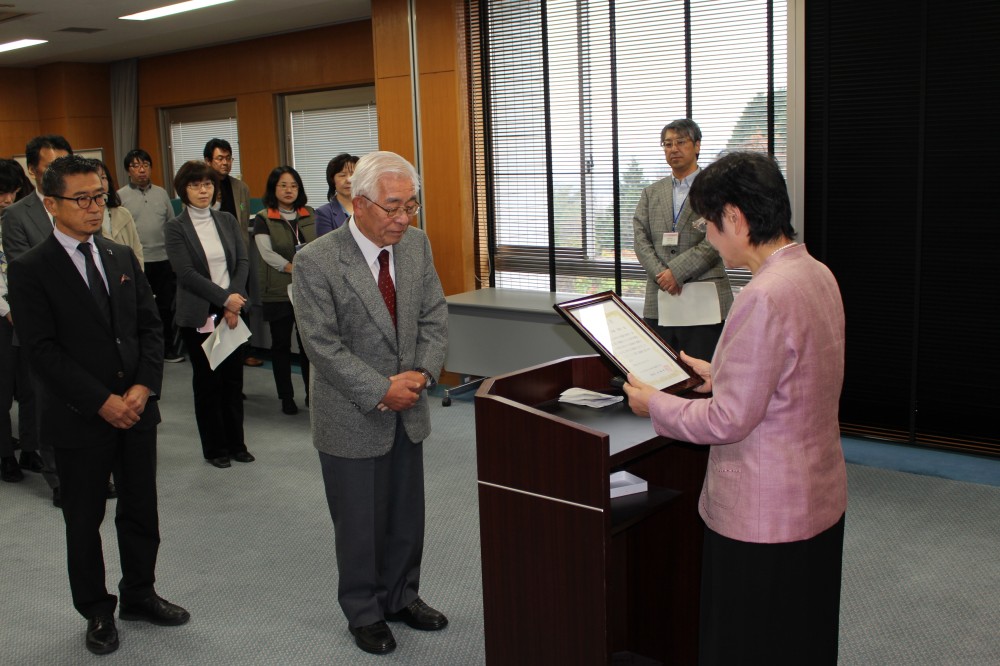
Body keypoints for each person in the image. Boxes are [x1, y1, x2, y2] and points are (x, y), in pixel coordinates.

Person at [623, 151, 847, 665]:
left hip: (765, 513)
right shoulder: (816, 273)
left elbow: (729, 420)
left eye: (708, 219)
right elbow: (797, 377)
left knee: (749, 643)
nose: (706, 230)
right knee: (802, 635)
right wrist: (717, 373)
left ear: (736, 218)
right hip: (817, 495)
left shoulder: (762, 296)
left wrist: (653, 403)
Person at [7, 155, 189, 656]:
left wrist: (143, 387)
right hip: (78, 416)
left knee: (141, 510)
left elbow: (150, 327)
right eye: (81, 199)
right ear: (51, 204)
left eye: (99, 197)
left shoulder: (118, 256)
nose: (94, 208)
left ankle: (139, 594)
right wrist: (101, 401)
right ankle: (97, 610)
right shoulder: (30, 269)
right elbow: (41, 352)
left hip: (135, 409)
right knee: (84, 520)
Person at [293, 151, 449, 656]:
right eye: (393, 207)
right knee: (359, 521)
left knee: (406, 513)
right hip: (351, 411)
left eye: (411, 206)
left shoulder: (416, 245)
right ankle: (363, 610)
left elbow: (433, 316)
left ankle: (402, 596)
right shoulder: (316, 259)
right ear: (358, 204)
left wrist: (422, 374)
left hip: (411, 404)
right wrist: (381, 387)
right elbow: (321, 344)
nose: (404, 219)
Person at [165, 160, 253, 468]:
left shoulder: (226, 219)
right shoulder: (176, 227)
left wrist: (235, 300)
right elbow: (186, 273)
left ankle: (236, 443)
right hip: (201, 311)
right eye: (195, 185)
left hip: (232, 307)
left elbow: (242, 260)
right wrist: (224, 300)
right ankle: (215, 448)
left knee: (233, 380)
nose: (203, 191)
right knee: (208, 382)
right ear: (183, 190)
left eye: (207, 185)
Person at [1, 135, 74, 503]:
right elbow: (24, 275)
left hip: (83, 325)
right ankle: (58, 477)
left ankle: (90, 470)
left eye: (65, 163)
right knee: (45, 404)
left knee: (84, 401)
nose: (60, 172)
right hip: (42, 327)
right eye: (50, 166)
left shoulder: (80, 203)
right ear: (33, 171)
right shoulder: (17, 215)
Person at [632, 118, 732, 361]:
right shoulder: (651, 192)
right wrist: (661, 274)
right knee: (662, 373)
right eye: (667, 144)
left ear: (697, 146)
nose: (673, 149)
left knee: (703, 376)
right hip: (661, 296)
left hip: (703, 300)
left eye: (680, 142)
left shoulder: (717, 187)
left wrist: (675, 272)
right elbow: (639, 236)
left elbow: (719, 237)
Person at [253, 166, 316, 414]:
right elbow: (266, 253)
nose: (289, 190)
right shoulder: (264, 217)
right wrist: (292, 267)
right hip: (278, 289)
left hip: (306, 289)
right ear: (273, 188)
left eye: (293, 185)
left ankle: (313, 394)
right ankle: (286, 397)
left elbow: (319, 245)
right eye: (283, 185)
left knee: (308, 346)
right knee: (280, 346)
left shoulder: (309, 214)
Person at [118, 149, 184, 363]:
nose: (141, 169)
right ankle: (143, 351)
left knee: (165, 308)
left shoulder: (161, 193)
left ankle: (167, 349)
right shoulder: (121, 196)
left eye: (145, 164)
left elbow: (171, 225)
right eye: (136, 165)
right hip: (138, 261)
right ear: (128, 170)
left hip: (163, 260)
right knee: (141, 308)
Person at [203, 137, 262, 368]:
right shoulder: (203, 186)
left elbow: (242, 223)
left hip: (237, 257)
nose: (225, 163)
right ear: (208, 161)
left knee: (239, 304)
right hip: (212, 260)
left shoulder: (240, 187)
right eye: (220, 158)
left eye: (228, 158)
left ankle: (242, 351)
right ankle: (216, 354)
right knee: (217, 308)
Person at [1, 158, 38, 483]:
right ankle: (4, 456)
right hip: (2, 315)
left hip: (26, 310)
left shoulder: (19, 217)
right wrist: (7, 309)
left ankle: (30, 448)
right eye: (1, 193)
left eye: (11, 192)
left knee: (30, 387)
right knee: (2, 389)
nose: (6, 200)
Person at [92, 159, 144, 268]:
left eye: (103, 177)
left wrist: (138, 276)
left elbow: (137, 250)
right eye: (95, 177)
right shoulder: (87, 216)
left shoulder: (123, 213)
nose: (100, 182)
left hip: (129, 275)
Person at [315, 153, 358, 236]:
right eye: (342, 175)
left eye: (353, 175)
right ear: (332, 180)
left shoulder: (369, 208)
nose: (349, 180)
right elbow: (326, 247)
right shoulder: (323, 213)